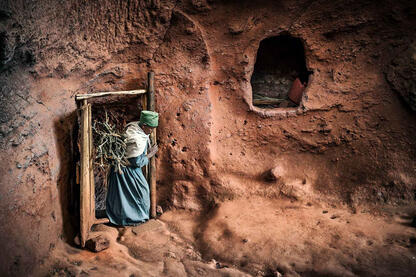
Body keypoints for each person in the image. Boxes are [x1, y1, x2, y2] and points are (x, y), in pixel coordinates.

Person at [105, 110, 159, 226]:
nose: (152, 131)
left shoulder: (136, 127)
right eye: (150, 128)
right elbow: (136, 162)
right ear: (143, 125)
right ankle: (134, 219)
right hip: (127, 171)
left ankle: (127, 218)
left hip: (123, 170)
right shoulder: (136, 138)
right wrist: (150, 154)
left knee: (124, 196)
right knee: (140, 193)